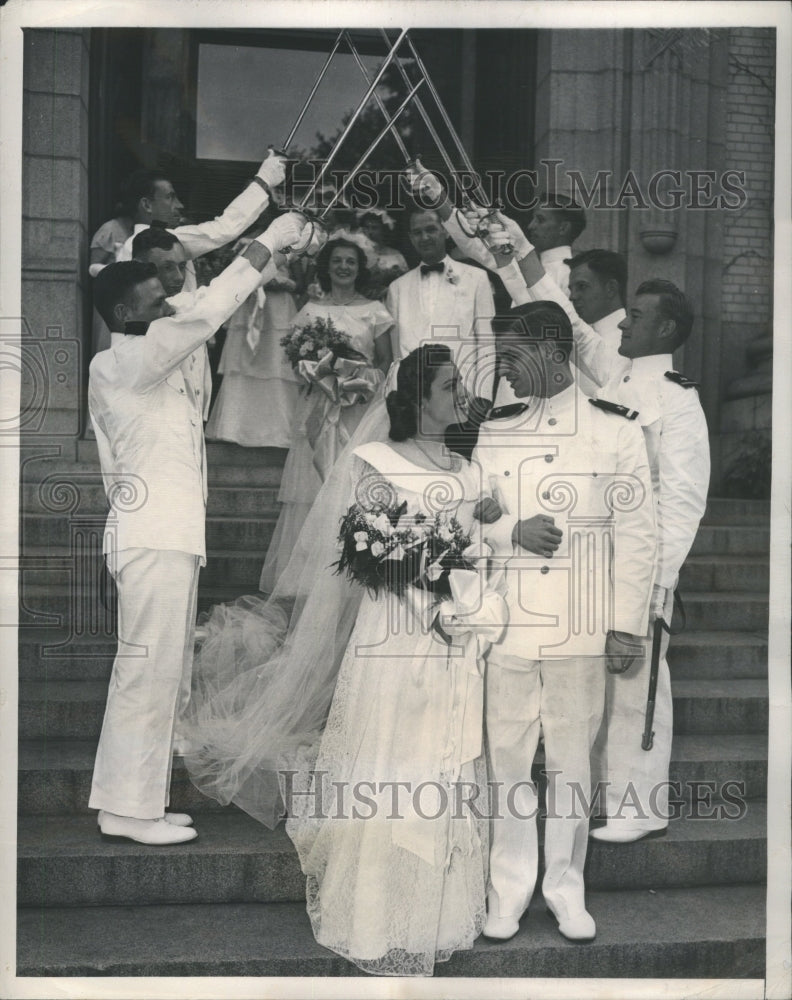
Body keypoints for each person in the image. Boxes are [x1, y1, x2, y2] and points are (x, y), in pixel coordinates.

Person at [184, 344, 507, 975]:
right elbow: (373, 558)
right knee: (386, 760)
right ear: (416, 399)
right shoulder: (373, 460)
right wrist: (433, 606)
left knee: (437, 763)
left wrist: (482, 549)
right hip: (395, 632)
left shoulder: (469, 471)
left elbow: (472, 551)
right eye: (448, 387)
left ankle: (433, 911)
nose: (459, 397)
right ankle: (370, 913)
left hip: (452, 642)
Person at [482, 224, 711, 843]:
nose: (623, 322)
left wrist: (658, 583)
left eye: (636, 315)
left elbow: (683, 500)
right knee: (609, 685)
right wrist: (518, 259)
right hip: (602, 560)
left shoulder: (677, 399)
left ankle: (642, 808)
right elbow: (569, 329)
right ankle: (611, 797)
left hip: (645, 563)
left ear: (665, 329)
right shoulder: (619, 375)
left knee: (640, 685)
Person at [86, 211, 308, 846]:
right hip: (151, 536)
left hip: (167, 536)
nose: (171, 301)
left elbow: (197, 311)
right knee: (147, 672)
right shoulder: (126, 360)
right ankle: (129, 811)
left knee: (165, 673)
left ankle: (133, 803)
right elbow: (207, 311)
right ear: (128, 311)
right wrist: (270, 242)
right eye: (158, 298)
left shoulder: (149, 357)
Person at [472, 301, 656, 942]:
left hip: (583, 626)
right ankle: (508, 889)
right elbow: (473, 514)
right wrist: (508, 534)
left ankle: (566, 888)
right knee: (507, 760)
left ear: (552, 350)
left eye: (512, 357)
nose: (503, 373)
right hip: (510, 625)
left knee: (573, 762)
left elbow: (638, 536)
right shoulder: (494, 430)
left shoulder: (617, 431)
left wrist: (627, 623)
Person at [259, 235, 394, 593]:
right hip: (320, 405)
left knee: (352, 482)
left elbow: (384, 361)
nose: (344, 267)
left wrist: (358, 381)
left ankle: (352, 576)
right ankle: (310, 580)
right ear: (327, 266)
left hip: (359, 409)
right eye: (338, 261)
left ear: (359, 267)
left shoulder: (375, 310)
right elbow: (297, 361)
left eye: (351, 261)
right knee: (314, 486)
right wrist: (325, 380)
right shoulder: (310, 311)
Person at [115, 152, 287, 295]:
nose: (180, 206)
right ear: (146, 205)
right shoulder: (156, 242)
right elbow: (223, 229)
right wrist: (264, 180)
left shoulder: (133, 246)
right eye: (170, 197)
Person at [205, 238, 302, 448]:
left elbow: (301, 280)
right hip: (250, 304)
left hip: (278, 308)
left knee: (277, 364)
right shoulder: (246, 242)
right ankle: (235, 428)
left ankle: (277, 431)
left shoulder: (294, 243)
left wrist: (281, 282)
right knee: (242, 362)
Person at [565, 248, 628, 397]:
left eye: (582, 287)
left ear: (611, 289)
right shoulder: (572, 338)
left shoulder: (630, 340)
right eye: (571, 289)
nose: (573, 296)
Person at [525, 193, 586, 295]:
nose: (530, 226)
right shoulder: (532, 268)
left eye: (540, 220)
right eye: (533, 219)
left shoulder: (569, 274)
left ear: (563, 228)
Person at [356, 207, 409, 298]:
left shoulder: (396, 254)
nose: (370, 232)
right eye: (367, 227)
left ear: (383, 230)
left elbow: (406, 282)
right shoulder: (359, 254)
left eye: (374, 228)